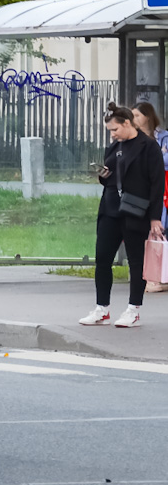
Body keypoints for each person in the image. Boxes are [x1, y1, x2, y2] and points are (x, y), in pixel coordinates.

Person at [80, 103, 167, 327]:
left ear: (127, 123)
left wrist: (155, 218)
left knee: (136, 261)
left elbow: (157, 184)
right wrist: (103, 175)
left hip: (135, 211)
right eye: (110, 130)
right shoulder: (114, 146)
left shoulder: (148, 147)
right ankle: (102, 308)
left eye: (115, 129)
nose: (113, 134)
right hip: (110, 208)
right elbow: (111, 174)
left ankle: (133, 309)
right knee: (102, 258)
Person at [133, 101, 168, 292]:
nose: (134, 119)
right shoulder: (132, 138)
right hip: (140, 188)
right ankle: (149, 275)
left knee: (159, 229)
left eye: (137, 115)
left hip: (162, 188)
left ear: (147, 116)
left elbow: (164, 160)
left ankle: (158, 277)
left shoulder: (162, 137)